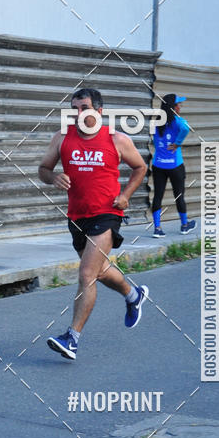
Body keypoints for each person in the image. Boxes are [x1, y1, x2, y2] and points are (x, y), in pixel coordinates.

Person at [39, 87, 148, 361]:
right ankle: (133, 294)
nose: (78, 114)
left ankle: (71, 338)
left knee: (86, 274)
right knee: (99, 271)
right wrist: (52, 178)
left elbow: (140, 167)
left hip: (107, 214)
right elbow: (43, 169)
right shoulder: (62, 138)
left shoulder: (117, 139)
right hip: (77, 216)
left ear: (98, 111)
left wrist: (125, 195)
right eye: (74, 109)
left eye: (84, 108)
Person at [151, 93, 195, 237]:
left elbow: (156, 141)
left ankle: (157, 228)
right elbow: (186, 128)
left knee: (158, 196)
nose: (180, 107)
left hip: (158, 165)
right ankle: (184, 225)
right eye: (178, 105)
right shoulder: (178, 121)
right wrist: (178, 143)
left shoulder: (156, 122)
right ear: (173, 107)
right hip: (175, 166)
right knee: (179, 196)